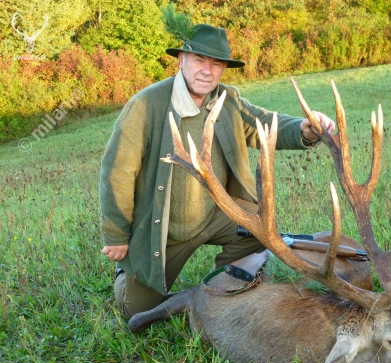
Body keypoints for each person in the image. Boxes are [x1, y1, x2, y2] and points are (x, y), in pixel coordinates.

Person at [99, 24, 335, 320]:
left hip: (214, 215)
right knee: (137, 311)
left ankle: (214, 289)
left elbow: (262, 122)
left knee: (259, 225)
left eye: (216, 63)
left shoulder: (228, 99)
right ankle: (128, 271)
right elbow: (117, 171)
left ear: (224, 68)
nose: (207, 70)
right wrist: (117, 234)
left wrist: (304, 128)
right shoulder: (147, 105)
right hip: (162, 228)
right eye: (199, 60)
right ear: (181, 60)